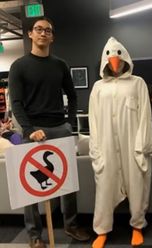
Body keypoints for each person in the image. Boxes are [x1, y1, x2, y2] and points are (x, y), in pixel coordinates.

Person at [8, 17, 90, 248]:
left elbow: (72, 96)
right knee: (29, 188)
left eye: (48, 30)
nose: (43, 33)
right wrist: (28, 129)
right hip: (31, 131)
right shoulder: (19, 66)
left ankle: (71, 225)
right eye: (39, 29)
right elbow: (16, 103)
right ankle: (35, 235)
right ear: (30, 34)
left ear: (52, 37)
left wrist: (69, 123)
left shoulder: (60, 65)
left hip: (59, 129)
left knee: (68, 183)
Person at [89, 37, 152, 248]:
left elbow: (145, 115)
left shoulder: (138, 83)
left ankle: (137, 226)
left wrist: (142, 146)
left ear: (125, 58)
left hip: (132, 144)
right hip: (106, 145)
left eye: (118, 57)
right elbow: (94, 120)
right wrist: (96, 149)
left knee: (137, 185)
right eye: (110, 58)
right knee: (105, 187)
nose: (114, 63)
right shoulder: (98, 87)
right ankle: (102, 230)